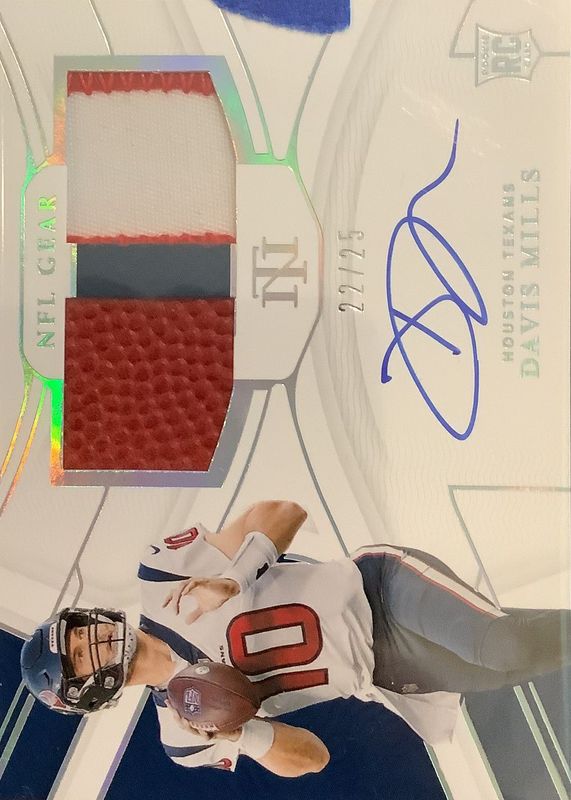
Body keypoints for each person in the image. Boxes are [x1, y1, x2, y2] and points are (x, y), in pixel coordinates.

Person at [20, 500, 571, 777]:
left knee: (505, 646)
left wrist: (233, 577)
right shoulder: (182, 736)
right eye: (79, 657)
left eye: (79, 631)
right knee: (524, 654)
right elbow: (313, 757)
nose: (92, 640)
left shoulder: (160, 576)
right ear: (89, 693)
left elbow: (287, 512)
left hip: (379, 588)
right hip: (386, 671)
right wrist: (237, 733)